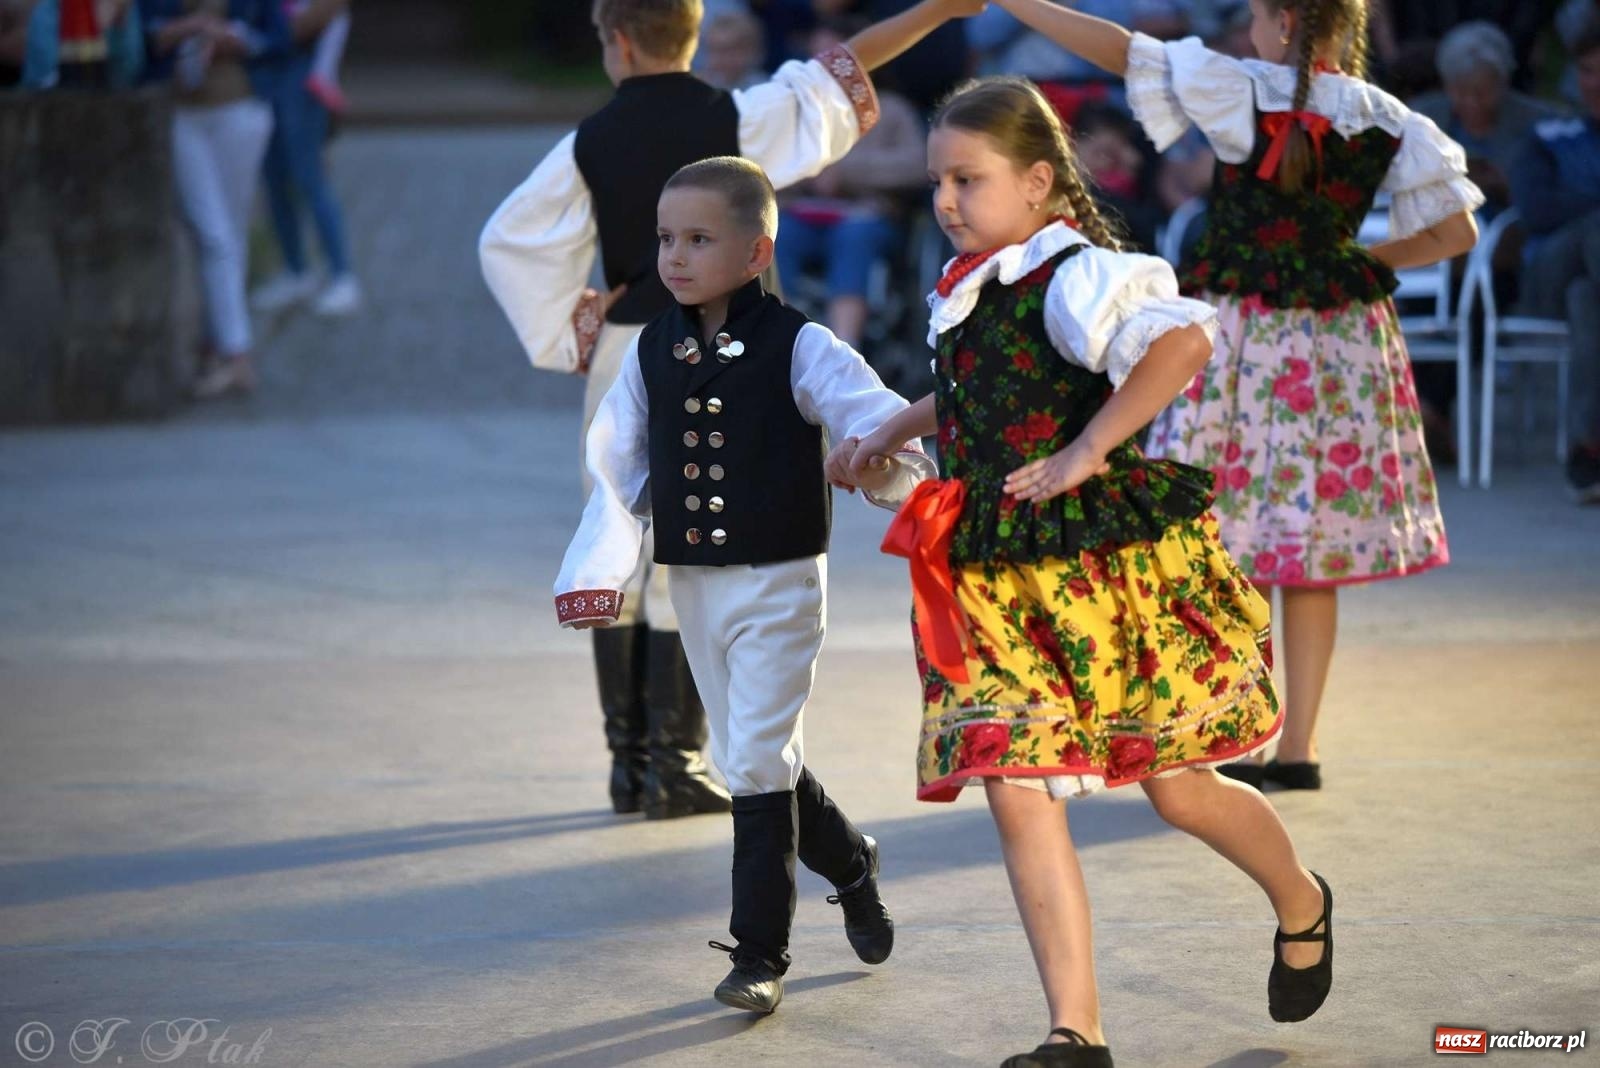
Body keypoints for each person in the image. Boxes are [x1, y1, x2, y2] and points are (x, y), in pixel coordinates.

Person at [837, 76, 1330, 1068]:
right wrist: (892, 425)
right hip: (994, 573)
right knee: (1013, 778)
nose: (943, 200)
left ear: (1037, 180)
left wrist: (1093, 448)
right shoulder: (976, 280)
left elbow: (1182, 342)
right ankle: (1077, 1032)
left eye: (965, 180)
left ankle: (1302, 899)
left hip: (1100, 570)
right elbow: (982, 387)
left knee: (1179, 791)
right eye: (936, 180)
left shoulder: (1077, 272)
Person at [480, 0, 982, 821]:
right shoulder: (736, 118)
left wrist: (579, 322)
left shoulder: (588, 142)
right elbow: (845, 69)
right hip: (730, 354)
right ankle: (676, 763)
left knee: (620, 537)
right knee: (696, 537)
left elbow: (507, 241)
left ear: (616, 38)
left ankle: (630, 762)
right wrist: (935, 9)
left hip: (629, 350)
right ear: (689, 32)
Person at [988, 0, 1481, 791]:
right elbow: (1458, 232)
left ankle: (1244, 733)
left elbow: (1122, 50)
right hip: (1339, 340)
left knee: (1232, 534)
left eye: (1257, 14)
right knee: (1309, 549)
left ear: (1285, 22)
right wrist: (1351, 260)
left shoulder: (1236, 88)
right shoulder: (1387, 117)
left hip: (1247, 334)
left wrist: (1019, 2)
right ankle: (1301, 749)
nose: (1250, 27)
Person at [555, 156, 935, 1013]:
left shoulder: (801, 343)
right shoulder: (653, 347)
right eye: (664, 238)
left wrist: (880, 459)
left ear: (758, 251)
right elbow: (614, 466)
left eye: (699, 238)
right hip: (693, 582)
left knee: (755, 762)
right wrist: (599, 573)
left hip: (782, 582)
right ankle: (852, 861)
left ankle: (758, 955)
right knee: (754, 756)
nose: (675, 256)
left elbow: (870, 412)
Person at [139, 0, 290, 399]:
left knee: (230, 234)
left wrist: (238, 40)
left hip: (240, 106)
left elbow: (280, 37)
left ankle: (216, 347)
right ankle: (238, 354)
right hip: (184, 113)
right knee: (213, 233)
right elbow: (140, 34)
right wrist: (182, 30)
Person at [1512, 19, 1600, 504]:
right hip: (1545, 278)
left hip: (1583, 288)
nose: (1597, 83)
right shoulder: (1548, 135)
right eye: (1588, 70)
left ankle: (1589, 450)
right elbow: (1537, 210)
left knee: (1588, 300)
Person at [250, 0, 361, 319]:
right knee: (274, 178)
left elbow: (311, 20)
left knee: (309, 177)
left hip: (303, 73)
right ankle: (296, 270)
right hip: (267, 71)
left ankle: (342, 275)